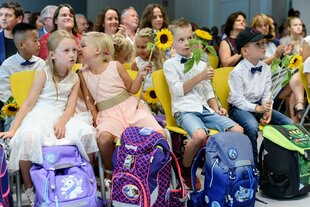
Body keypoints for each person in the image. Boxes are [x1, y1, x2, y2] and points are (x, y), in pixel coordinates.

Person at [0, 30, 98, 206]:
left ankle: (86, 179)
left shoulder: (74, 77)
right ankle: (30, 188)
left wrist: (61, 122)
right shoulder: (43, 73)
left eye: (74, 50)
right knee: (29, 138)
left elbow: (70, 107)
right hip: (40, 115)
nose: (72, 55)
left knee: (86, 133)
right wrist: (14, 129)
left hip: (63, 116)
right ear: (52, 54)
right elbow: (29, 104)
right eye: (66, 51)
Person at [164, 18, 243, 190]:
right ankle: (185, 167)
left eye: (189, 38)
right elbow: (177, 90)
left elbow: (208, 92)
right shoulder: (169, 64)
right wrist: (200, 76)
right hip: (184, 111)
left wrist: (217, 109)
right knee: (200, 136)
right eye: (181, 40)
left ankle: (227, 171)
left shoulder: (201, 63)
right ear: (173, 43)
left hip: (204, 109)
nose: (186, 43)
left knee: (238, 130)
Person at [78, 31, 165, 187]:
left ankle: (152, 169)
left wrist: (140, 75)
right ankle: (111, 170)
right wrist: (95, 119)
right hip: (108, 114)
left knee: (160, 134)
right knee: (104, 138)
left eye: (83, 45)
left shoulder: (115, 66)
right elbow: (89, 101)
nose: (79, 48)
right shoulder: (82, 74)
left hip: (130, 108)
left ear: (97, 50)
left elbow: (132, 89)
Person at [228, 28, 293, 166]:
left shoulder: (265, 68)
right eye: (258, 44)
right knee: (251, 126)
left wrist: (267, 109)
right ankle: (253, 165)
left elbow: (267, 92)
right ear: (245, 51)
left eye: (263, 43)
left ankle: (282, 164)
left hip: (260, 105)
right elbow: (237, 100)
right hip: (240, 108)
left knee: (289, 123)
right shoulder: (237, 72)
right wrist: (257, 109)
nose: (263, 46)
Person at [251, 14, 304, 123]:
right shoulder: (252, 44)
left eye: (266, 25)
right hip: (262, 80)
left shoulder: (272, 43)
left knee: (294, 86)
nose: (264, 28)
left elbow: (280, 64)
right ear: (254, 28)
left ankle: (297, 114)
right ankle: (299, 108)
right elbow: (254, 66)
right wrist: (275, 56)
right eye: (260, 26)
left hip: (276, 77)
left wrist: (286, 56)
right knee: (296, 74)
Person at [0, 23, 45, 132]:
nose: (39, 44)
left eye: (38, 40)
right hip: (15, 112)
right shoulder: (7, 65)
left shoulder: (42, 64)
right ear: (21, 45)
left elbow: (46, 88)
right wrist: (17, 105)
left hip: (38, 109)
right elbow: (4, 91)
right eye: (35, 41)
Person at [0, 1, 23, 65]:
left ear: (19, 19)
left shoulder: (27, 40)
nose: (3, 18)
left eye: (8, 15)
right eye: (0, 14)